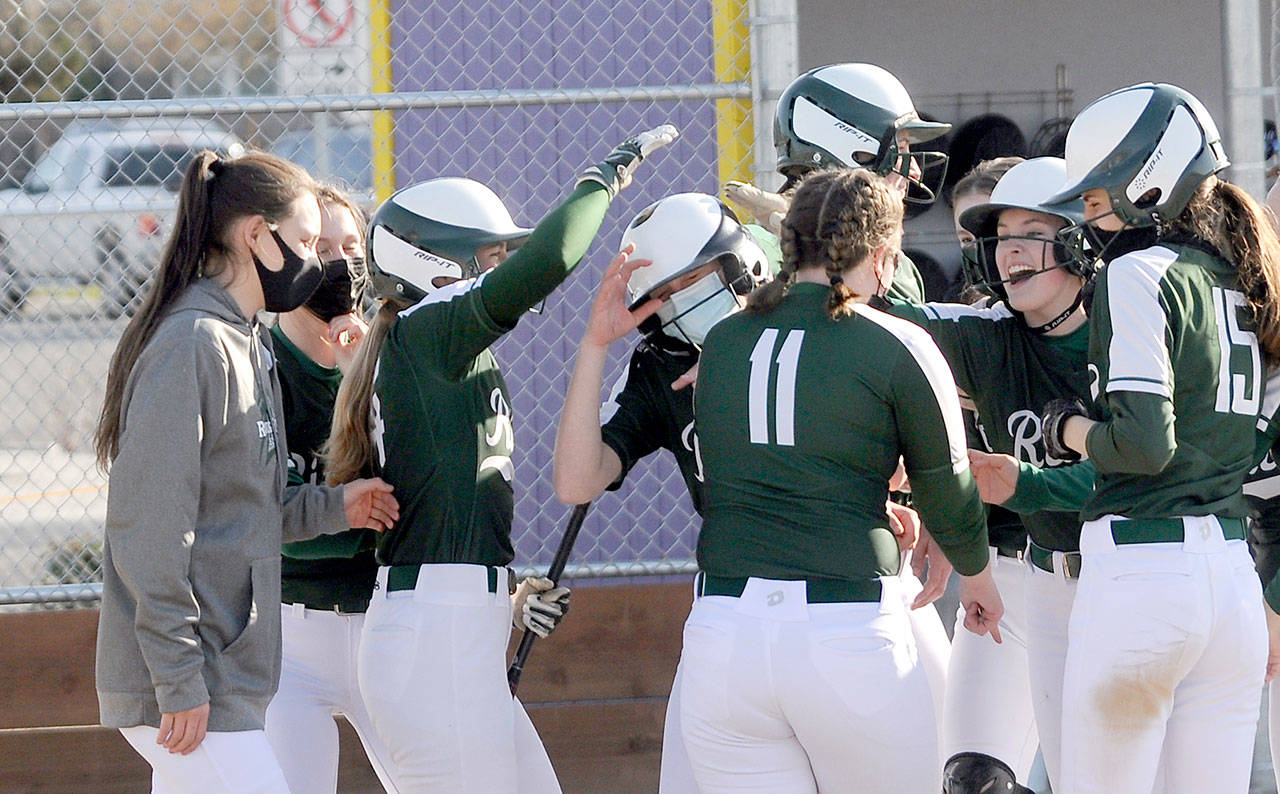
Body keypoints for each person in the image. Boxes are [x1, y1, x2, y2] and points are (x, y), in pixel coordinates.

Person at [323, 125, 678, 793]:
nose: (502, 271)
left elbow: (443, 503)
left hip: (453, 627)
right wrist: (605, 175)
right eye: (486, 257)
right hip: (437, 639)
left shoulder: (435, 346)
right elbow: (552, 256)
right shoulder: (426, 330)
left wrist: (505, 601)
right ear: (435, 263)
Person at [680, 166, 1002, 793]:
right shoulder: (897, 342)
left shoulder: (721, 340)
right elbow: (949, 489)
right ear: (882, 257)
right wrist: (978, 576)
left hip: (723, 631)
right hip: (844, 627)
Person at [93, 151, 399, 794]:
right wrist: (178, 680)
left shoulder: (243, 341)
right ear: (256, 236)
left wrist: (334, 505)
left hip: (222, 672)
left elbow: (245, 505)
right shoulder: (192, 345)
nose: (320, 265)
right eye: (309, 242)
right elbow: (149, 530)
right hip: (187, 681)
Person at [1040, 82, 1280, 793]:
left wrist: (1069, 428)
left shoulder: (1138, 272)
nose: (1087, 215)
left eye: (1095, 195)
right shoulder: (1245, 276)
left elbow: (1146, 447)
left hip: (1145, 573)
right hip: (1232, 579)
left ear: (1148, 179)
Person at [552, 191, 771, 793]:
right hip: (732, 597)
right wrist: (596, 345)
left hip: (851, 584)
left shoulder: (803, 322)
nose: (681, 302)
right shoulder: (661, 365)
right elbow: (575, 480)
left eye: (695, 279)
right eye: (666, 294)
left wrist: (743, 357)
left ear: (739, 264)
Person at [888, 157, 1093, 793]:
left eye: (1032, 234)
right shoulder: (988, 333)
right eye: (1001, 238)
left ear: (1077, 239)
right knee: (974, 778)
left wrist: (1027, 484)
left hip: (1130, 577)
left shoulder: (1130, 325)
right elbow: (876, 309)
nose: (1010, 254)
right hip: (1030, 574)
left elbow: (1151, 472)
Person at [262, 183, 403, 793]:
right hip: (290, 634)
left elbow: (424, 497)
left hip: (387, 623)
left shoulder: (395, 360)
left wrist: (361, 381)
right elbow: (275, 528)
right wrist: (361, 520)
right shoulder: (256, 362)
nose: (337, 265)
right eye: (318, 247)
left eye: (351, 248)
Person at [727, 61, 950, 304]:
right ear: (855, 151)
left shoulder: (902, 268)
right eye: (902, 148)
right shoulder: (756, 250)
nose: (915, 171)